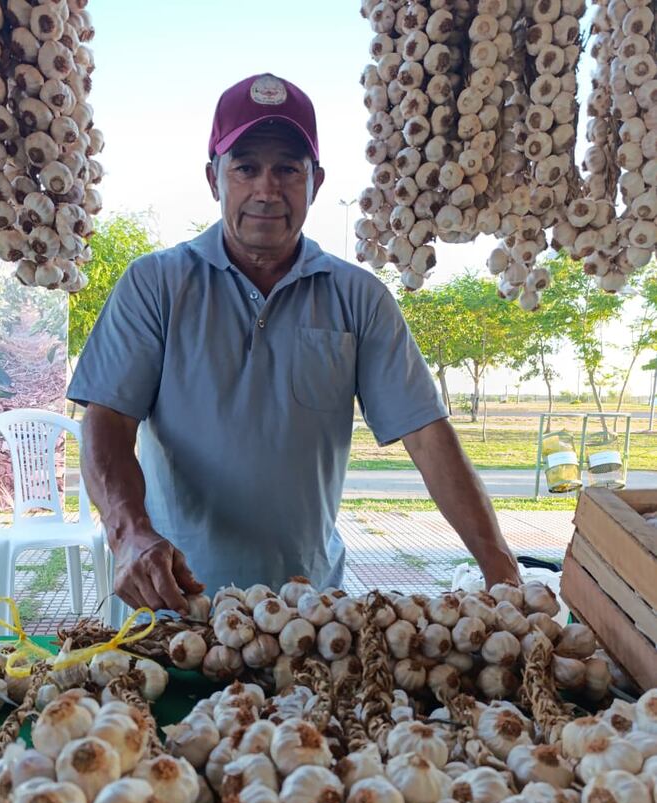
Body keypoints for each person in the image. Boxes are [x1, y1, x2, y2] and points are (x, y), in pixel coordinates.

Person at [68, 72, 520, 615]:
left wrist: (501, 571)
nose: (267, 188)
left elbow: (426, 437)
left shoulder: (359, 297)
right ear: (214, 179)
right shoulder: (156, 284)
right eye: (246, 168)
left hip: (308, 615)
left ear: (316, 181)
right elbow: (107, 421)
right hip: (174, 604)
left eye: (287, 168)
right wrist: (129, 536)